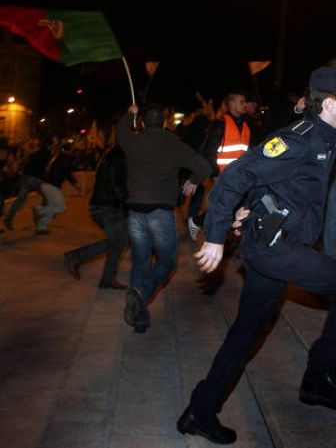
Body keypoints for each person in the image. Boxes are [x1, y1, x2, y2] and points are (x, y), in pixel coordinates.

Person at [178, 66, 336, 445]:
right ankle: (318, 380)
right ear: (331, 103)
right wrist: (215, 236)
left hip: (276, 243)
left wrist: (250, 207)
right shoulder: (298, 139)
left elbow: (271, 180)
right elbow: (237, 175)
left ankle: (199, 412)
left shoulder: (328, 136)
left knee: (246, 332)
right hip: (276, 249)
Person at [117, 104, 211, 333]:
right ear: (165, 123)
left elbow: (120, 131)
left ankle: (139, 317)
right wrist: (194, 181)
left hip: (136, 211)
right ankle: (141, 295)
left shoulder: (132, 141)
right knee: (167, 262)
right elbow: (204, 167)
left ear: (142, 123)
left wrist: (130, 113)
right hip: (161, 211)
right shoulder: (174, 144)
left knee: (140, 261)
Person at [62, 145, 129, 289]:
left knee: (121, 240)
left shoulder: (115, 153)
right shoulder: (119, 155)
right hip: (106, 207)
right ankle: (76, 257)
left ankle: (107, 279)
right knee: (117, 241)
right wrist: (128, 200)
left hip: (106, 205)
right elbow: (116, 183)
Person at [187, 92, 252, 241]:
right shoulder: (221, 123)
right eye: (241, 102)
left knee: (228, 206)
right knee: (227, 206)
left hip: (239, 175)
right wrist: (216, 173)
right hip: (223, 175)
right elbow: (209, 150)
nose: (245, 104)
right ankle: (214, 234)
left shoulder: (245, 125)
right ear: (232, 104)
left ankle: (201, 223)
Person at [34, 142, 80, 235]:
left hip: (47, 185)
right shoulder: (65, 159)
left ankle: (41, 227)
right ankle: (39, 210)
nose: (73, 152)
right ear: (68, 150)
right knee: (61, 208)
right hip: (52, 186)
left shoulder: (56, 157)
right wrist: (75, 184)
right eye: (72, 150)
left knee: (52, 209)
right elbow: (68, 173)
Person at [3, 139, 49, 230]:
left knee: (21, 198)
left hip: (25, 177)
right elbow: (44, 167)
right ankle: (39, 218)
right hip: (36, 179)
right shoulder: (44, 153)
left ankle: (8, 218)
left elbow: (22, 164)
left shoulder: (30, 154)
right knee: (47, 197)